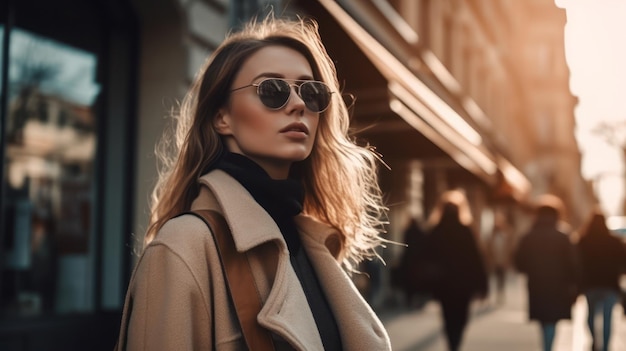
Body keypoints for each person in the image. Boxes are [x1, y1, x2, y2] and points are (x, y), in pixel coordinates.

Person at [114, 15, 391, 350]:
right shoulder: (184, 246)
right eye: (272, 90)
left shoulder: (310, 242)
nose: (299, 104)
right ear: (222, 117)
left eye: (311, 92)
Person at [422, 190, 488, 351]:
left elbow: (425, 257)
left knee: (448, 317)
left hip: (443, 284)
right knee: (461, 318)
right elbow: (476, 259)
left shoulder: (435, 230)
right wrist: (483, 285)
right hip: (464, 285)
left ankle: (452, 344)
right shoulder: (465, 231)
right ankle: (455, 344)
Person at [514, 194, 579, 351]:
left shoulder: (529, 236)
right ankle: (548, 347)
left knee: (544, 320)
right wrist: (575, 286)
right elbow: (574, 264)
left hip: (537, 285)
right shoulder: (563, 236)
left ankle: (547, 346)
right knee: (552, 321)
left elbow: (519, 263)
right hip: (558, 287)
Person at [576, 209, 626, 351]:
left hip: (590, 284)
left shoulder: (583, 241)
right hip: (610, 285)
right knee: (607, 318)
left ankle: (594, 341)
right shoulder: (615, 242)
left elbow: (576, 262)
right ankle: (605, 347)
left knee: (591, 316)